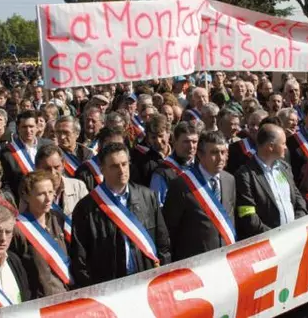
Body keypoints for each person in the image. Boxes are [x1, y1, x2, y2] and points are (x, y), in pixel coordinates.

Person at [70, 142, 171, 287]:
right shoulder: (86, 208)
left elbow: (163, 244)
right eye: (114, 166)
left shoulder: (147, 197)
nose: (121, 170)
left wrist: (162, 276)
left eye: (124, 164)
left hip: (147, 281)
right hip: (110, 288)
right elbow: (80, 260)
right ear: (102, 169)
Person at [163, 131, 236, 261]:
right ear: (200, 155)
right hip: (196, 263)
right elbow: (169, 230)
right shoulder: (181, 185)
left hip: (225, 258)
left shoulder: (229, 180)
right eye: (214, 153)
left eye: (223, 152)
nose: (220, 158)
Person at [235, 124, 307, 239]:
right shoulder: (245, 175)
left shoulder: (285, 168)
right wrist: (275, 237)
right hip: (268, 244)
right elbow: (248, 215)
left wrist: (296, 224)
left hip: (294, 239)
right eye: (283, 143)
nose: (286, 147)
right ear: (270, 147)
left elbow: (299, 200)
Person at [11, 170, 70, 298]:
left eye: (50, 192)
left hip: (67, 295)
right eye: (41, 194)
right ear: (26, 196)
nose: (48, 198)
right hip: (40, 300)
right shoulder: (18, 229)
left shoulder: (58, 219)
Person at [0, 110, 53, 201]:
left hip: (49, 199)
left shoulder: (49, 146)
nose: (28, 130)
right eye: (24, 127)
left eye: (31, 126)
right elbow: (5, 184)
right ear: (18, 129)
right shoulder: (6, 153)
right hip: (22, 204)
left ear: (37, 127)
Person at [150, 121, 200, 205]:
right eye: (186, 142)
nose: (191, 146)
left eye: (194, 142)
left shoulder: (202, 167)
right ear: (174, 141)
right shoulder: (162, 173)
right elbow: (157, 207)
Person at [34, 144, 88, 219]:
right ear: (37, 168)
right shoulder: (32, 191)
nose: (53, 172)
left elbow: (87, 216)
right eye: (47, 169)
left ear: (63, 165)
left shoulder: (78, 186)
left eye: (56, 167)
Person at [226, 110, 267, 174]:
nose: (255, 128)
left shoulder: (274, 147)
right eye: (252, 124)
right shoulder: (235, 148)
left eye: (259, 125)